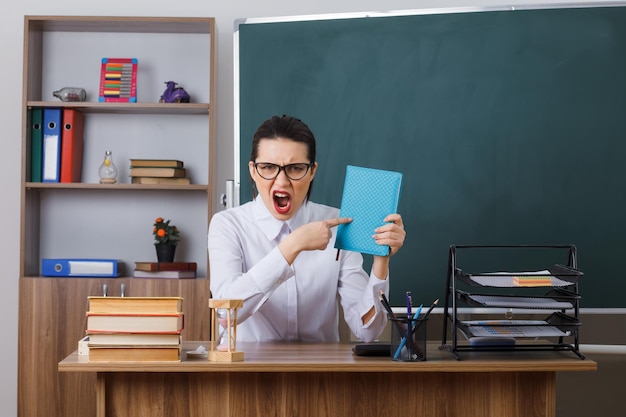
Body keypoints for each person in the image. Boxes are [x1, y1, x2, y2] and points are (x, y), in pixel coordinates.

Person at [208, 115, 406, 343]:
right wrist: (292, 246)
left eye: (295, 168)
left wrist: (382, 259)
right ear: (253, 171)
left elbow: (367, 332)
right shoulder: (227, 225)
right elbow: (225, 313)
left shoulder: (338, 224)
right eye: (269, 167)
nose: (281, 182)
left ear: (312, 172)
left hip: (319, 373)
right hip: (250, 371)